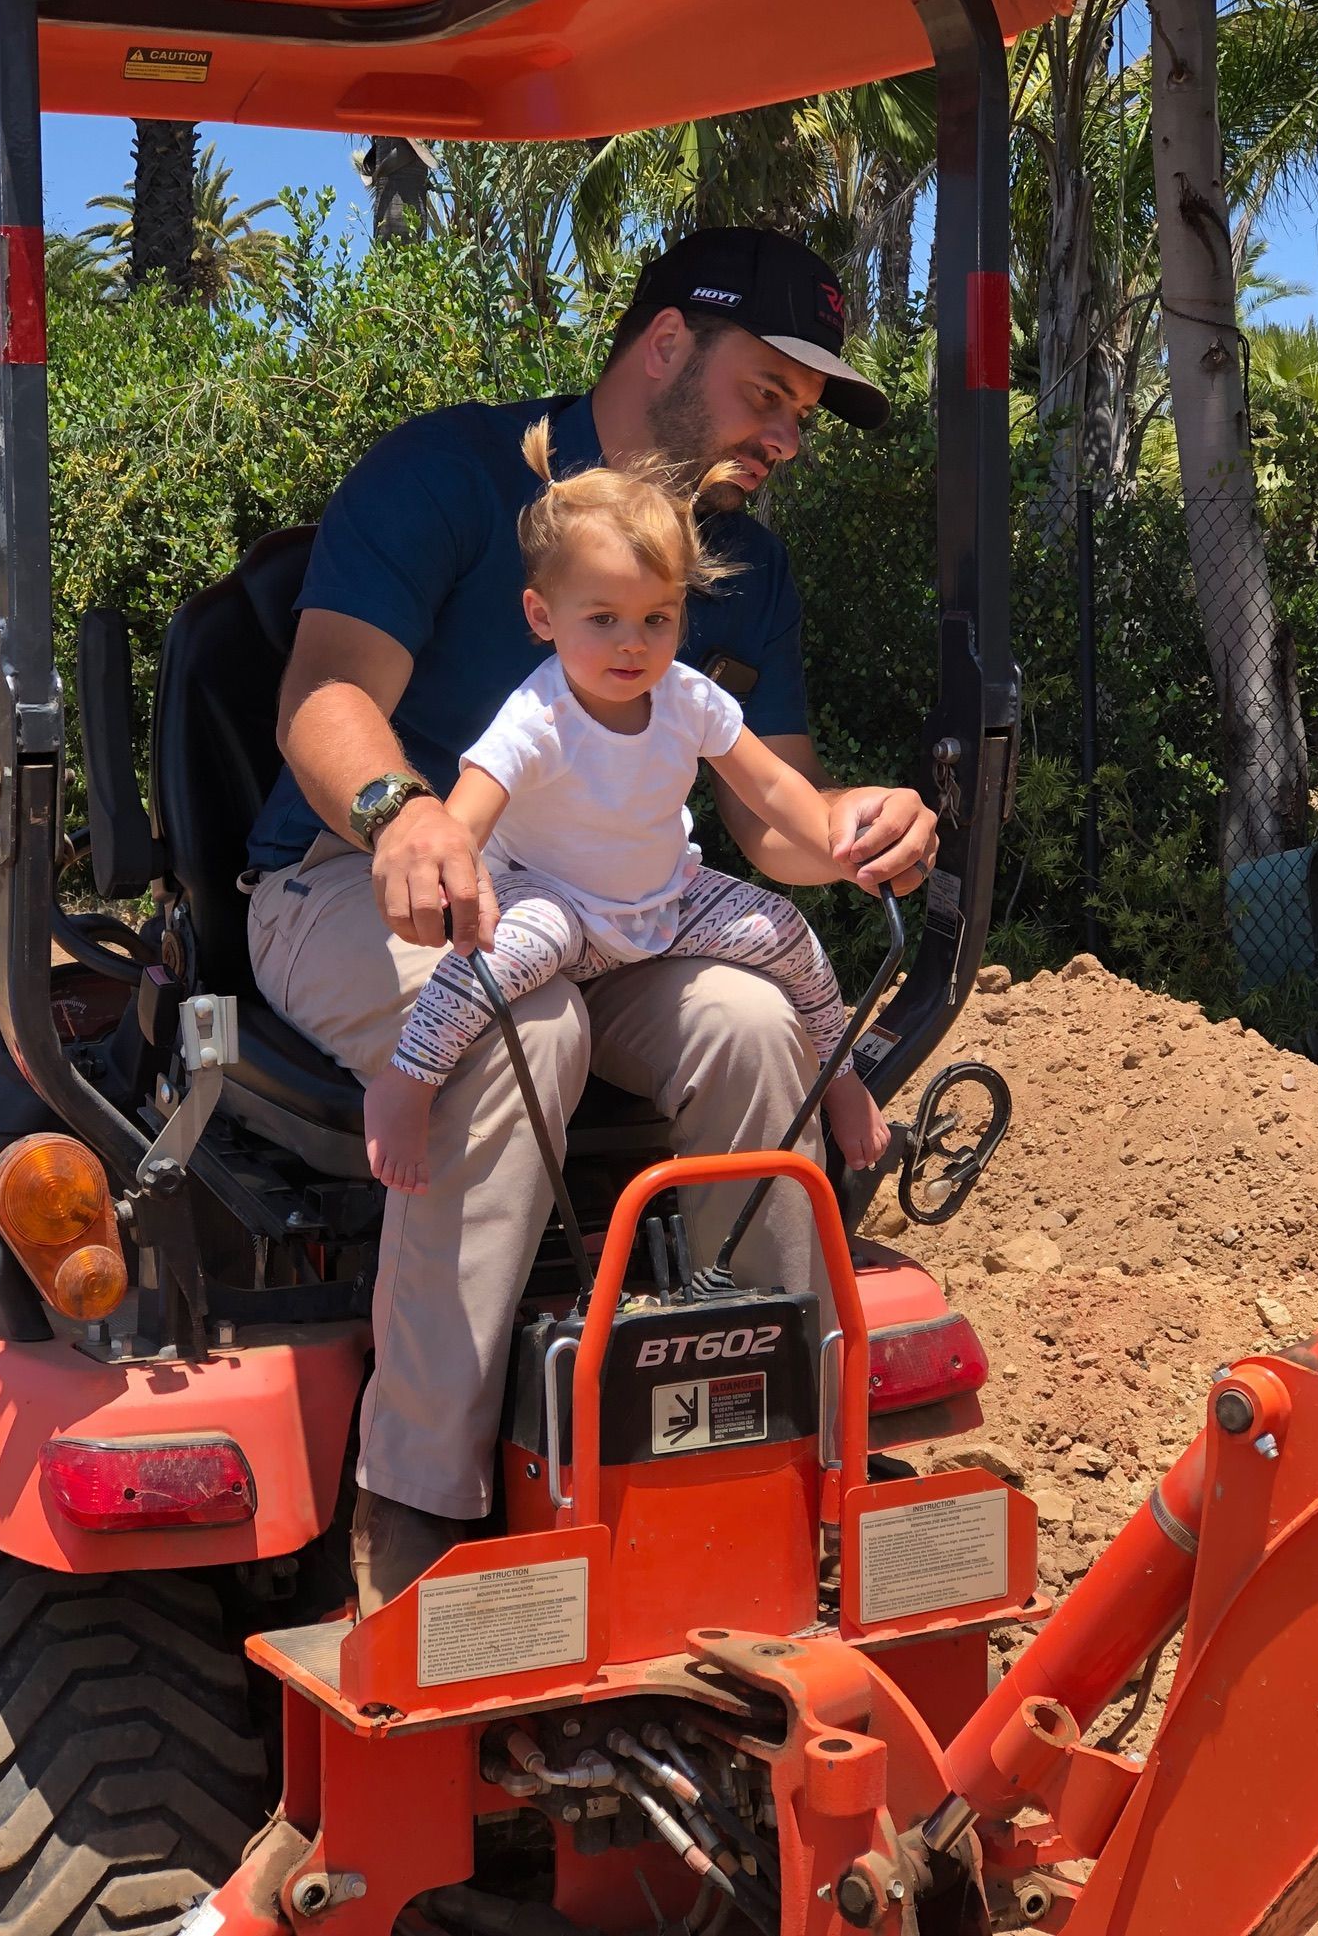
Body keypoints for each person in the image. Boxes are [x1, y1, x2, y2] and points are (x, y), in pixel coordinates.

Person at [245, 225, 939, 1612]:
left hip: (619, 913)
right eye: (766, 393)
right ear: (667, 344)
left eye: (804, 416)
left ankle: (753, 1457)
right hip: (359, 883)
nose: (785, 437)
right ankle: (417, 1524)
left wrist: (865, 823)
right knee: (523, 1025)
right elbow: (321, 693)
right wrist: (409, 812)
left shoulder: (740, 569)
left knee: (755, 1024)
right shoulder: (450, 474)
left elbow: (771, 820)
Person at [362, 419, 890, 1195]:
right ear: (543, 617)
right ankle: (407, 1079)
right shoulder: (537, 715)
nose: (631, 644)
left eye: (656, 618)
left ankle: (835, 1070)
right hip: (556, 901)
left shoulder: (687, 699)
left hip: (664, 898)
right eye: (601, 617)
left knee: (786, 931)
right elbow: (464, 817)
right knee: (498, 956)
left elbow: (773, 786)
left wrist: (840, 844)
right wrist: (440, 867)